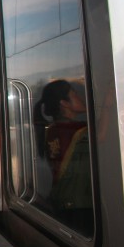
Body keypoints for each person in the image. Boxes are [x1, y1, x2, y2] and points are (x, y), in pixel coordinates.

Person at [38, 79, 92, 233]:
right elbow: (101, 135)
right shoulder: (74, 130)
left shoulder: (53, 129)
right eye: (75, 94)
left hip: (63, 201)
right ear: (64, 103)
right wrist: (107, 105)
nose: (81, 98)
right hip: (79, 204)